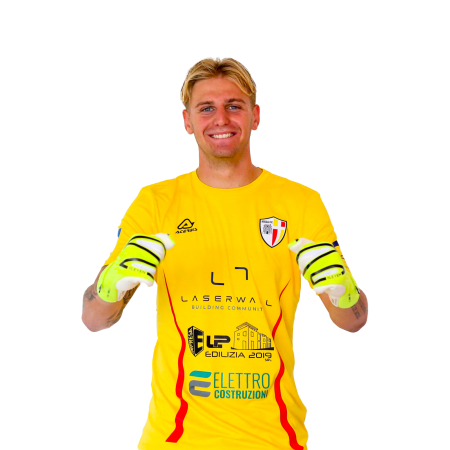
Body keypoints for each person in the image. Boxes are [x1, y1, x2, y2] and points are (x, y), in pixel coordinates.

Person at [81, 56, 368, 450]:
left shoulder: (301, 203)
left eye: (234, 106)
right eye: (206, 108)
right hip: (174, 439)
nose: (221, 119)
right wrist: (110, 284)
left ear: (255, 116)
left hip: (274, 438)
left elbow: (352, 322)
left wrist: (345, 290)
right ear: (187, 121)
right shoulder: (155, 203)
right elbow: (94, 320)